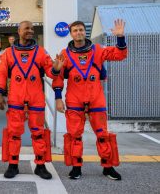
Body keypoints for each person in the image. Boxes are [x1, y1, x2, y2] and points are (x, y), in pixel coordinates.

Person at [52, 19, 127, 180]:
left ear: (84, 32)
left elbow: (119, 55)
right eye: (75, 30)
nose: (78, 32)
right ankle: (76, 167)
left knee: (102, 135)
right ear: (71, 34)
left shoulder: (98, 50)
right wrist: (58, 98)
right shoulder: (64, 54)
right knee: (74, 135)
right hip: (74, 101)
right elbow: (57, 77)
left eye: (80, 30)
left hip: (96, 100)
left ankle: (108, 167)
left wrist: (120, 38)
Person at [0, 21, 64, 179]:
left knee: (38, 133)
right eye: (27, 28)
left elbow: (50, 73)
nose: (30, 31)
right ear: (18, 31)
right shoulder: (8, 53)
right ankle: (13, 165)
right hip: (16, 99)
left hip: (36, 99)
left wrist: (56, 68)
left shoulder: (41, 52)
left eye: (32, 29)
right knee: (14, 134)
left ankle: (40, 165)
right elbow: (1, 74)